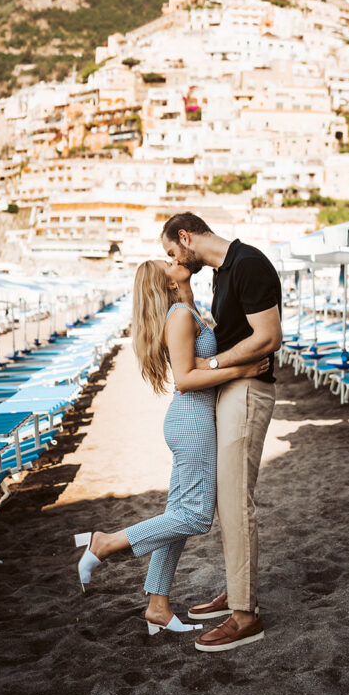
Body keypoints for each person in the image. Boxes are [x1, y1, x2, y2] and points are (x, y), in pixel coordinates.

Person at [73, 258, 268, 635]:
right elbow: (185, 379)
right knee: (194, 516)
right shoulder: (179, 315)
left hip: (190, 421)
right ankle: (106, 543)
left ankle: (157, 606)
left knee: (177, 514)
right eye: (168, 262)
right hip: (193, 422)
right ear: (164, 283)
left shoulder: (185, 307)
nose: (174, 260)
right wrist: (241, 371)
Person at [161, 212, 282, 653]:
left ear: (186, 236)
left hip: (248, 391)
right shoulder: (220, 273)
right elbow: (227, 332)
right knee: (228, 499)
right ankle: (236, 592)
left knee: (235, 502)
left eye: (172, 251)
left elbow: (269, 336)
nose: (173, 260)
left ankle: (246, 614)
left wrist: (210, 365)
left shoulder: (248, 264)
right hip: (233, 388)